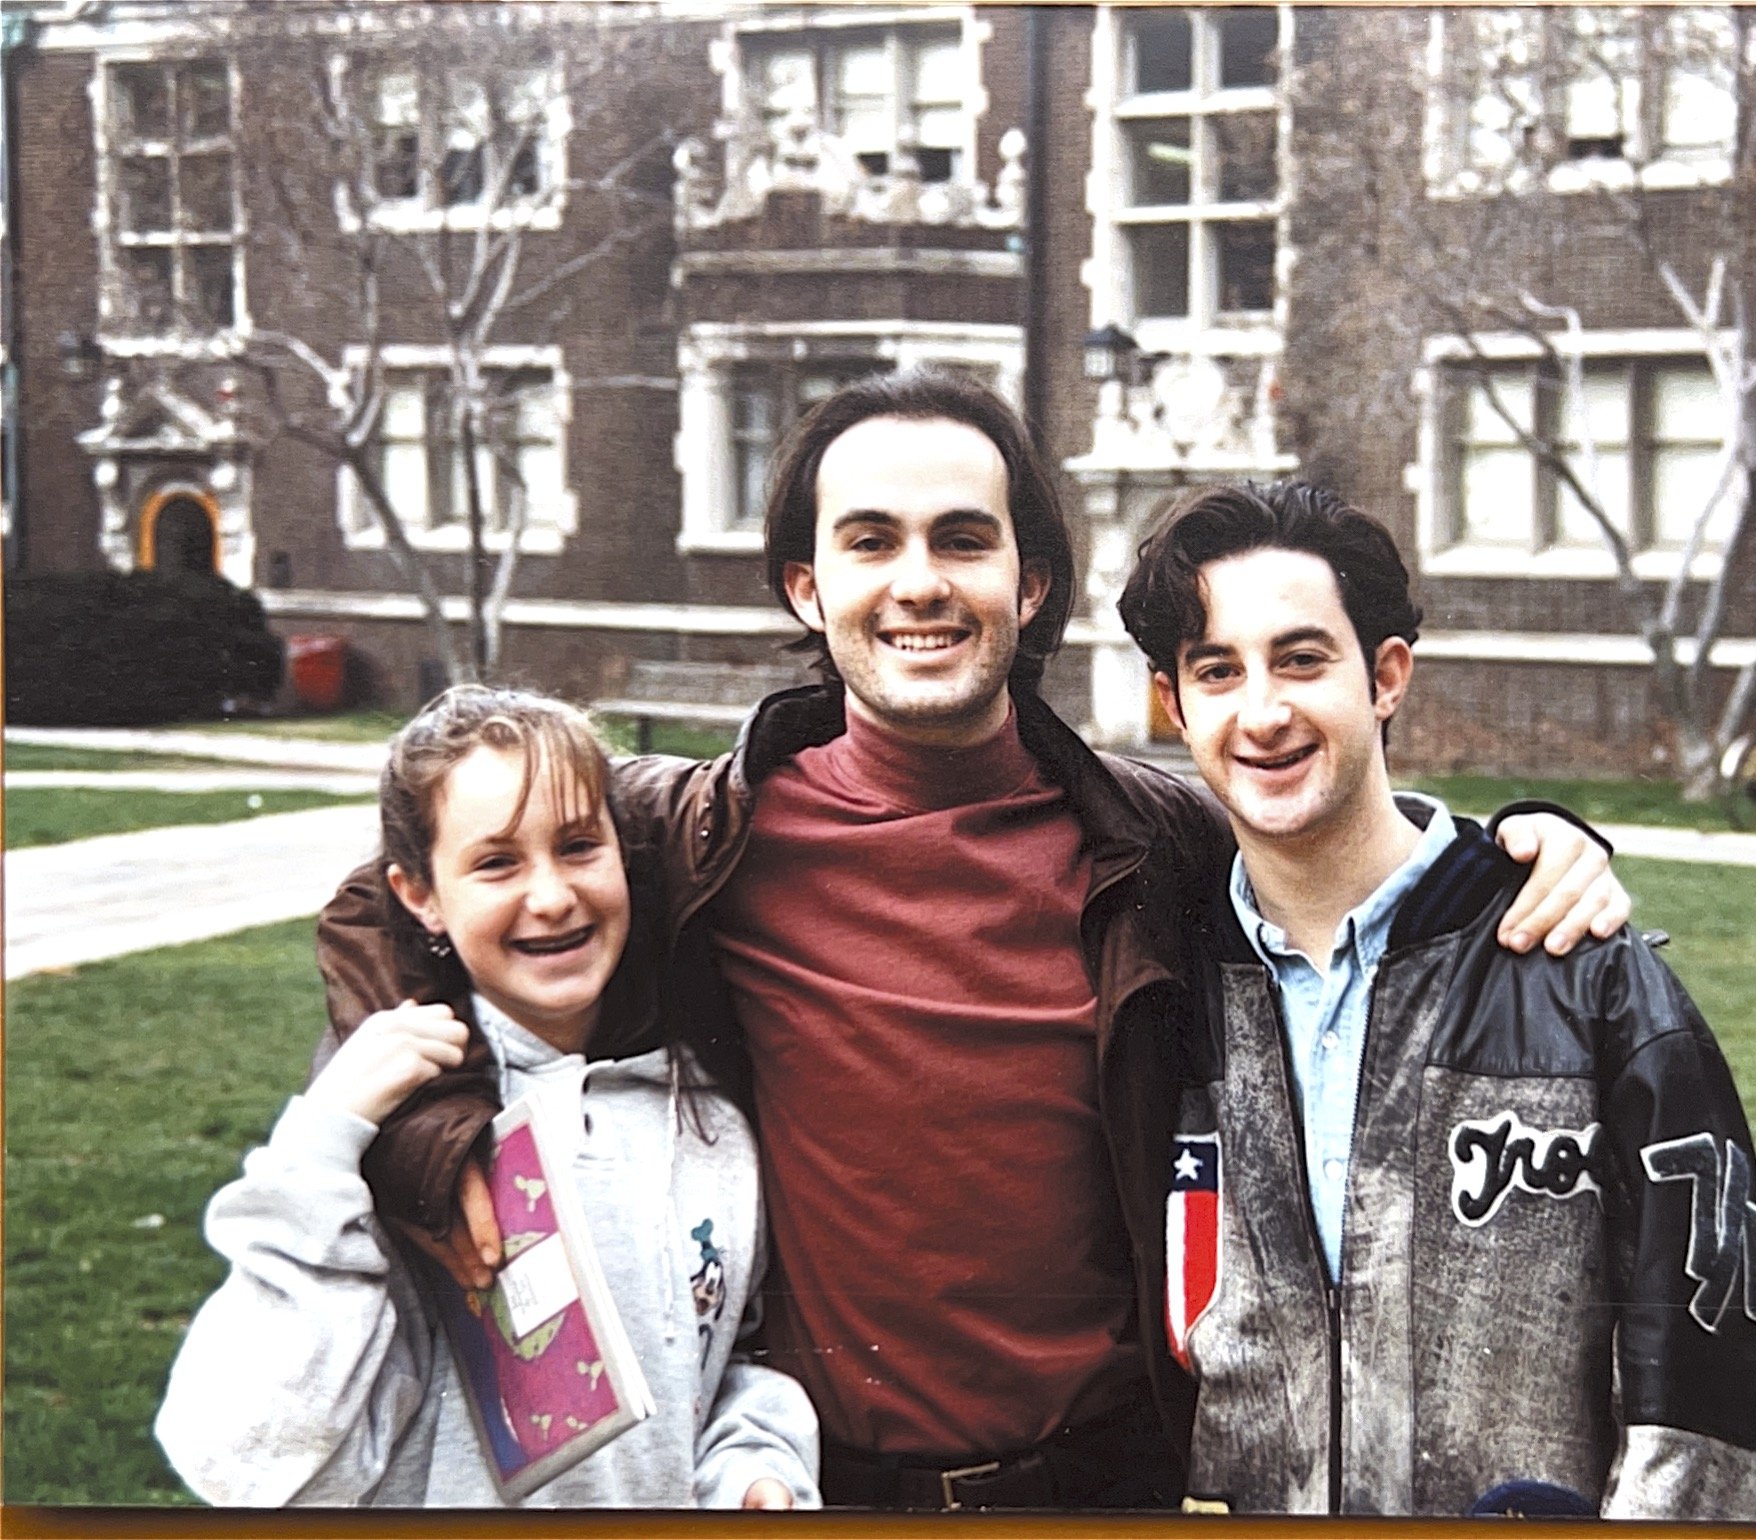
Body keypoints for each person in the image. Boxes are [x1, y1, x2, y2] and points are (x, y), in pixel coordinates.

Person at [311, 369, 1632, 1510]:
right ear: (807, 586)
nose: (919, 582)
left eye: (961, 538)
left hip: (1108, 1485)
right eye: (869, 541)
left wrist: (1528, 843)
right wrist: (426, 1129)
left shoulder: (1152, 837)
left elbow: (1348, 847)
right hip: (812, 1484)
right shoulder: (693, 835)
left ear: (1028, 580)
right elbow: (390, 898)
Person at [1116, 480, 1756, 1518]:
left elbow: (1716, 1419)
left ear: (1385, 676)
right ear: (1175, 705)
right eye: (1218, 671)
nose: (1261, 712)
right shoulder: (1160, 984)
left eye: (1302, 659)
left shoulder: (1579, 972)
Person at [157, 688, 821, 1509]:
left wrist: (752, 1466)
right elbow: (236, 1454)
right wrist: (321, 1145)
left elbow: (721, 1363)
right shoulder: (393, 1142)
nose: (552, 897)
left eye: (579, 846)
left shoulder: (706, 1117)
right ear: (420, 895)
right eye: (497, 863)